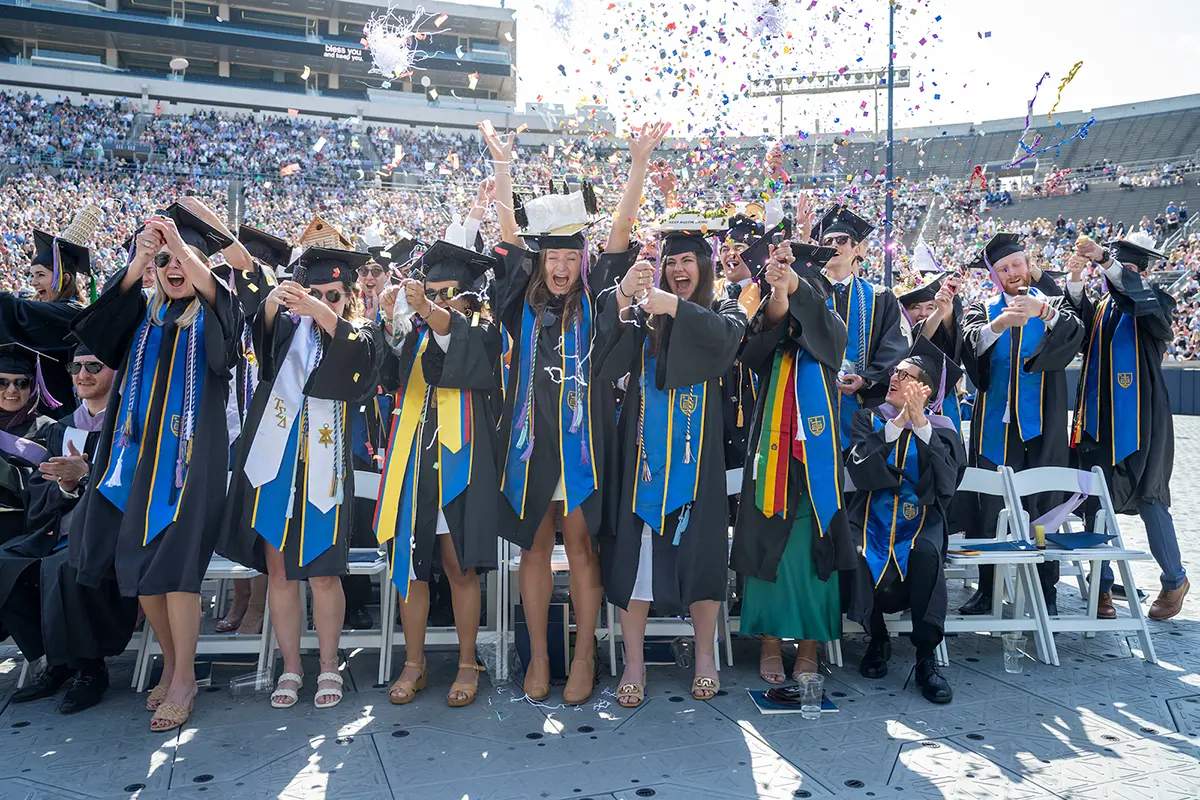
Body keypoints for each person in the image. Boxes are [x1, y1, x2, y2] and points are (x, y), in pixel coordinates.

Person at [480, 117, 667, 705]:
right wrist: (504, 168)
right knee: (533, 548)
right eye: (551, 257)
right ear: (539, 261)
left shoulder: (595, 295)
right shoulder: (519, 303)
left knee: (583, 548)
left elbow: (618, 230)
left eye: (568, 256)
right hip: (530, 445)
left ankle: (585, 655)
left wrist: (636, 165)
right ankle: (538, 655)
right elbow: (511, 237)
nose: (559, 267)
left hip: (586, 445)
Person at [69, 201, 240, 733]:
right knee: (142, 575)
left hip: (190, 468)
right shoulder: (142, 314)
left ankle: (184, 677)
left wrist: (189, 255)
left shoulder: (212, 316)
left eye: (183, 259)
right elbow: (93, 333)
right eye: (163, 258)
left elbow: (229, 328)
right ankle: (171, 661)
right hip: (135, 463)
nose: (173, 267)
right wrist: (135, 260)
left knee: (175, 571)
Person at [223, 245, 378, 710]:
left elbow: (365, 363)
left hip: (325, 471)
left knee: (325, 575)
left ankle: (328, 664)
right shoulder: (287, 330)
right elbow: (261, 338)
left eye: (333, 295)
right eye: (313, 292)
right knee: (280, 572)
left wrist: (321, 312)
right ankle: (291, 667)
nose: (322, 301)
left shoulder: (358, 333)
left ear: (348, 297)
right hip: (277, 466)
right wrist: (274, 302)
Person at [597, 227, 745, 707]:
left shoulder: (723, 310)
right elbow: (605, 356)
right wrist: (625, 296)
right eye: (671, 262)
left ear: (704, 266)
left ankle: (705, 657)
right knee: (636, 560)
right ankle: (635, 661)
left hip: (698, 464)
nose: (678, 269)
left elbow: (727, 340)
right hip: (641, 462)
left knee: (701, 557)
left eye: (688, 261)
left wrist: (674, 307)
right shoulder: (646, 317)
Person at [374, 240, 502, 707]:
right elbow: (385, 375)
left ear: (469, 296)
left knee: (458, 564)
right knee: (410, 566)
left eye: (449, 293)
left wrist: (426, 309)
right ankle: (415, 662)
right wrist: (390, 320)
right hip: (412, 459)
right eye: (432, 291)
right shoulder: (416, 330)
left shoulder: (484, 331)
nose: (439, 300)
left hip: (459, 462)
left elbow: (456, 343)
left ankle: (468, 663)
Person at [730, 239, 855, 683]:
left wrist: (795, 285)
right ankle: (768, 639)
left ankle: (809, 644)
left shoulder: (830, 326)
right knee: (769, 548)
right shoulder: (772, 339)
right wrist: (778, 298)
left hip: (814, 464)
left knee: (810, 551)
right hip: (771, 459)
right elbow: (755, 347)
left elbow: (826, 334)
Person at [0, 345, 138, 713]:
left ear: (117, 371)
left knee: (62, 565)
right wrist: (65, 486)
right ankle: (54, 660)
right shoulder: (61, 428)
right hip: (56, 528)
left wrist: (88, 474)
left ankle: (90, 669)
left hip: (110, 533)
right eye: (76, 366)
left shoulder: (130, 423)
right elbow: (39, 489)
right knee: (4, 562)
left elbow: (139, 483)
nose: (83, 373)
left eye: (95, 364)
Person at [958, 233, 1084, 617]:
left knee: (1044, 504)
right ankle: (988, 587)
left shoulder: (1054, 306)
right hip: (994, 424)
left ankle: (1046, 589)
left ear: (1029, 264)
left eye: (1016, 264)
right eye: (1003, 269)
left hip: (1041, 425)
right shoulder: (982, 308)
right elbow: (968, 344)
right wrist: (997, 325)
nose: (1012, 273)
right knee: (989, 504)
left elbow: (1076, 334)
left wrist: (1042, 313)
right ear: (994, 276)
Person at [1068, 233, 1188, 620]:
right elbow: (1077, 333)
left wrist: (1106, 261)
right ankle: (1101, 590)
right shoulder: (1103, 307)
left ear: (1140, 272)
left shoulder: (1155, 301)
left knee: (1150, 496)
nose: (1121, 275)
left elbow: (1136, 300)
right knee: (1096, 501)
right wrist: (1072, 284)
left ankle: (1175, 580)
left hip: (1142, 419)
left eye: (1129, 269)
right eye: (1118, 268)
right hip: (1098, 419)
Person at [845, 337, 965, 704]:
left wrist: (921, 426)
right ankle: (877, 638)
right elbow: (860, 470)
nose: (895, 378)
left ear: (925, 391)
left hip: (921, 518)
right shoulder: (868, 419)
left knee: (927, 552)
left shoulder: (943, 430)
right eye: (896, 372)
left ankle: (926, 657)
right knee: (854, 552)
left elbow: (947, 485)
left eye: (907, 375)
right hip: (870, 514)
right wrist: (896, 424)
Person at [815, 206, 908, 451]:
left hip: (864, 404)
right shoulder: (808, 294)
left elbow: (893, 347)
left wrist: (866, 379)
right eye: (828, 241)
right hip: (815, 399)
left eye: (842, 240)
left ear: (856, 249)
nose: (834, 244)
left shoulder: (880, 297)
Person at [0, 206, 102, 410]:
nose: (34, 282)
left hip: (54, 406)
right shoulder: (48, 307)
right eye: (32, 275)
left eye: (40, 275)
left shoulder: (73, 313)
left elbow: (18, 312)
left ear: (63, 279)